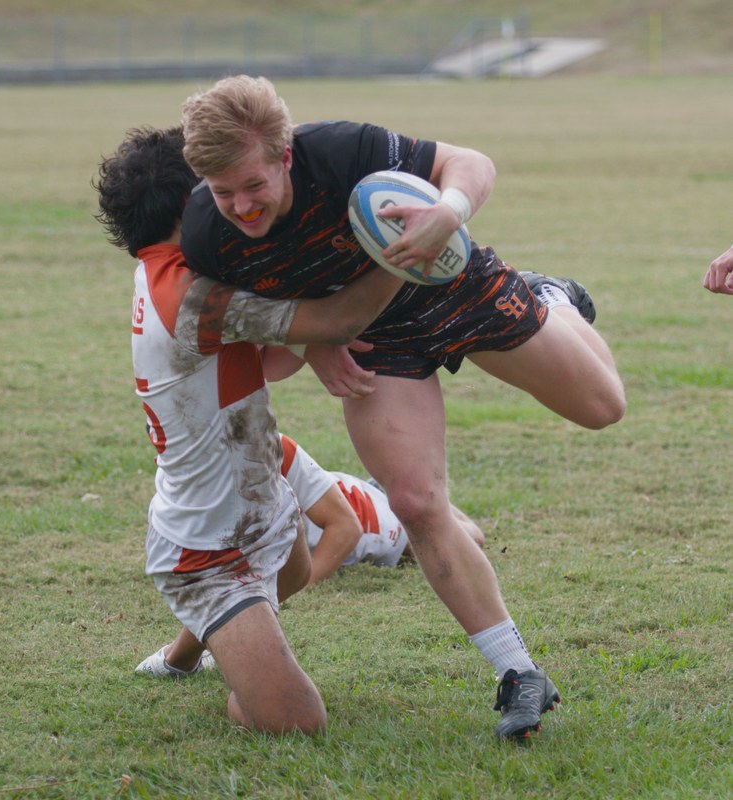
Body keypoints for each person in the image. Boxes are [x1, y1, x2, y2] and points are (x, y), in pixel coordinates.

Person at [178, 75, 627, 740]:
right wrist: (314, 338)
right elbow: (243, 323)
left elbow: (469, 163)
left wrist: (448, 210)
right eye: (223, 193)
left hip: (456, 287)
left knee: (601, 408)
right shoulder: (206, 238)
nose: (241, 206)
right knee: (415, 502)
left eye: (253, 186)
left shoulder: (341, 151)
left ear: (285, 156)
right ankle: (516, 672)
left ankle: (550, 298)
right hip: (376, 342)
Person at [93, 125, 408, 735]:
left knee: (289, 573)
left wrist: (311, 340)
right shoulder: (191, 293)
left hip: (259, 498)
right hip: (205, 553)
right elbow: (339, 316)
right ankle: (233, 649)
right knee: (295, 723)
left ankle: (185, 654)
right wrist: (408, 249)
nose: (236, 202)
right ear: (194, 204)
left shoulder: (164, 268)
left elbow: (271, 357)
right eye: (217, 189)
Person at [136, 432, 486, 676]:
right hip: (344, 489)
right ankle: (390, 490)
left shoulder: (269, 449)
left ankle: (430, 501)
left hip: (380, 520)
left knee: (468, 538)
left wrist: (306, 579)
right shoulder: (207, 461)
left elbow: (346, 530)